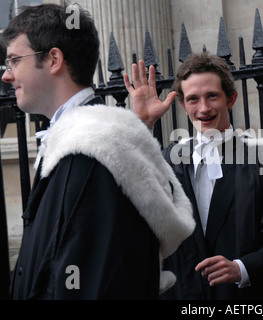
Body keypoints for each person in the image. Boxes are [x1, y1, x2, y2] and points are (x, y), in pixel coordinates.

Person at [1, 3, 195, 299]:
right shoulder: (78, 144)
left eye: (14, 60)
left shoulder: (90, 152)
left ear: (54, 59)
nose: (6, 75)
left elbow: (91, 283)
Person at [124, 52, 263, 299]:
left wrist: (242, 268)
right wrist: (143, 124)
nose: (204, 108)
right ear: (183, 105)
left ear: (231, 98)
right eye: (193, 99)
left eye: (212, 96)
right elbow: (130, 221)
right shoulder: (167, 159)